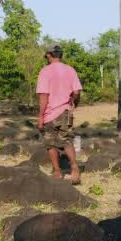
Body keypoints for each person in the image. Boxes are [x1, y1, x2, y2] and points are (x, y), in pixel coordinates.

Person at [36, 45, 83, 184]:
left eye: (47, 56)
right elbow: (76, 92)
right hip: (65, 112)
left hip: (50, 113)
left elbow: (43, 97)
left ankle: (57, 172)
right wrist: (73, 103)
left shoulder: (44, 71)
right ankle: (75, 170)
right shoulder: (70, 70)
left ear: (49, 55)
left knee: (51, 144)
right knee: (67, 141)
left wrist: (40, 116)